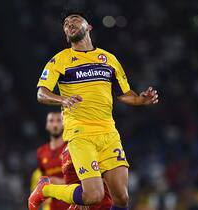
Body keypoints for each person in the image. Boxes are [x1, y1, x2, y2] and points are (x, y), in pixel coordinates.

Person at [29, 9, 159, 210]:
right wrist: (62, 99)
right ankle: (46, 188)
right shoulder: (60, 59)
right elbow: (41, 93)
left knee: (122, 198)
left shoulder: (108, 59)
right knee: (94, 195)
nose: (70, 24)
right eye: (66, 24)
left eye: (75, 20)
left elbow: (124, 94)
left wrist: (141, 100)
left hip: (108, 132)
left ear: (88, 27)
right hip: (81, 133)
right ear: (66, 35)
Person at [30, 111, 70, 210]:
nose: (55, 124)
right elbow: (41, 178)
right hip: (51, 206)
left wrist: (59, 182)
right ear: (47, 125)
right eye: (51, 121)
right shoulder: (41, 152)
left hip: (70, 203)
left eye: (58, 121)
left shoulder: (70, 148)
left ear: (64, 124)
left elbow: (81, 179)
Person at [61, 146, 112, 210]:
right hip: (78, 203)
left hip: (100, 205)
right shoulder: (66, 150)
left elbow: (109, 175)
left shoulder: (93, 144)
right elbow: (71, 180)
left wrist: (85, 191)